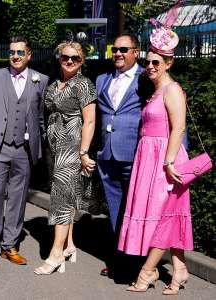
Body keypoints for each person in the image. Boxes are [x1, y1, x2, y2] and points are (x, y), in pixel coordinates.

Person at [118, 16, 193, 296]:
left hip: (165, 159)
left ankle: (148, 271)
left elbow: (179, 127)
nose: (150, 66)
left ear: (169, 63)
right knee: (168, 215)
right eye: (147, 62)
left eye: (156, 63)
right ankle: (180, 268)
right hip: (150, 158)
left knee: (162, 217)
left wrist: (169, 161)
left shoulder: (172, 89)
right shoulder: (156, 89)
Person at [0, 35, 48, 273]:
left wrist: (38, 146)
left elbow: (40, 117)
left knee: (18, 199)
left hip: (25, 150)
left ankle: (10, 245)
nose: (15, 56)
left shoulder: (41, 80)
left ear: (29, 55)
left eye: (20, 52)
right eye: (12, 52)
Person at [34, 41, 96, 275]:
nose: (69, 61)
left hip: (72, 146)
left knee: (60, 197)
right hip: (56, 146)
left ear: (82, 62)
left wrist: (83, 151)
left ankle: (56, 253)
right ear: (59, 58)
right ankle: (69, 245)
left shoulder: (83, 84)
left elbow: (89, 120)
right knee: (66, 194)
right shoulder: (56, 84)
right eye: (65, 57)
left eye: (75, 58)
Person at [95, 34, 145, 277]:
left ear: (135, 51)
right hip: (107, 155)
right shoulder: (102, 79)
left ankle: (137, 262)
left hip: (134, 154)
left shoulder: (146, 77)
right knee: (115, 209)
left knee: (135, 210)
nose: (118, 53)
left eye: (124, 49)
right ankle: (120, 258)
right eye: (115, 49)